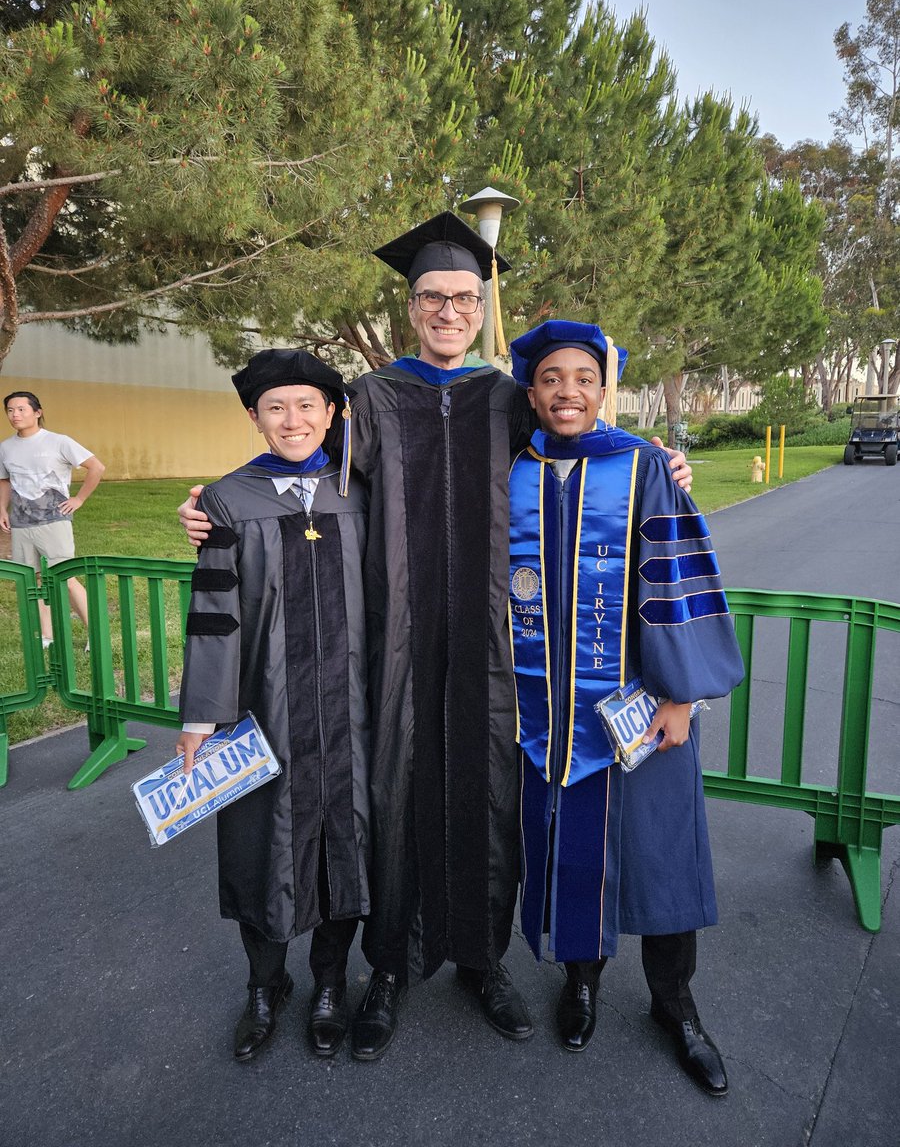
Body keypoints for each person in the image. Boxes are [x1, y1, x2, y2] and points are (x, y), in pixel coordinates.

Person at [179, 212, 694, 1062]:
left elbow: (582, 442)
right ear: (411, 307)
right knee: (399, 797)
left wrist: (660, 458)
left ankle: (482, 961)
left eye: (463, 297)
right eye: (432, 297)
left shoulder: (508, 397)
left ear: (480, 305)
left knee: (488, 803)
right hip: (401, 649)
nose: (448, 310)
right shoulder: (374, 398)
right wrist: (207, 508)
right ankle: (387, 968)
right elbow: (296, 468)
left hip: (496, 651)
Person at [507, 320, 744, 1096]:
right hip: (546, 714)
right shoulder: (510, 466)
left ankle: (675, 1006)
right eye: (549, 378)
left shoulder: (643, 465)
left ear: (604, 387)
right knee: (574, 852)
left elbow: (678, 572)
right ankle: (582, 984)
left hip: (640, 707)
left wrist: (680, 695)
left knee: (664, 857)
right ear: (531, 391)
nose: (565, 391)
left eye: (582, 376)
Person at [176, 350, 370, 1063]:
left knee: (346, 847)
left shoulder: (362, 488)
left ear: (331, 413)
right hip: (267, 710)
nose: (294, 420)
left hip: (353, 711)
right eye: (277, 407)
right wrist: (201, 719)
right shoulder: (229, 500)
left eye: (309, 405)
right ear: (254, 417)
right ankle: (265, 985)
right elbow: (215, 613)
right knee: (261, 846)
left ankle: (327, 984)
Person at [0, 391, 105, 647]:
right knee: (32, 579)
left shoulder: (59, 442)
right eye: (10, 410)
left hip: (54, 520)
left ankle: (96, 633)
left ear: (38, 412)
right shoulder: (5, 447)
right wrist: (2, 508)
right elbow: (4, 480)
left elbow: (96, 467)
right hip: (22, 523)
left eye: (22, 409)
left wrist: (78, 500)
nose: (15, 415)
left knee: (65, 578)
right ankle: (47, 636)